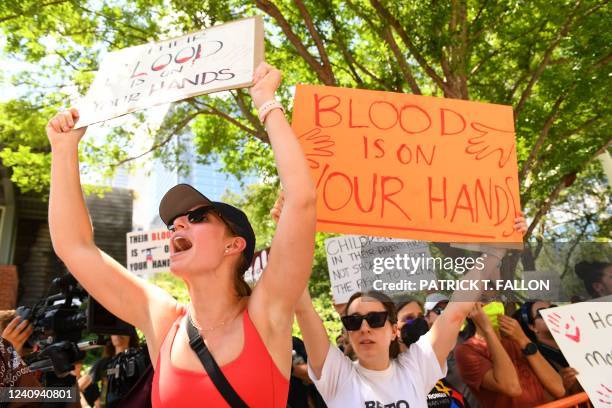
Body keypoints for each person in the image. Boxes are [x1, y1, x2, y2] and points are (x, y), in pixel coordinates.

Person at [46, 61, 316, 407]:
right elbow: (74, 247)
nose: (178, 226)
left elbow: (302, 200)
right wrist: (64, 149)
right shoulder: (163, 322)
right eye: (174, 224)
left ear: (234, 244)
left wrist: (266, 102)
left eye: (198, 217)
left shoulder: (265, 314)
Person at [290, 208, 527, 407]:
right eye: (353, 321)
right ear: (348, 331)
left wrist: (498, 250)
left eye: (374, 319)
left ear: (393, 330)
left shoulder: (416, 367)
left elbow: (457, 310)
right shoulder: (336, 376)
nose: (364, 328)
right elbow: (303, 309)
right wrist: (290, 229)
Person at [455, 302, 565, 408]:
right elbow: (512, 388)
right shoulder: (467, 351)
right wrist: (488, 330)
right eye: (484, 300)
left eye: (495, 299)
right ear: (469, 312)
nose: (492, 303)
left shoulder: (515, 340)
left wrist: (523, 339)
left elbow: (559, 388)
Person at [397, 299, 475, 408]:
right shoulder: (395, 377)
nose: (416, 322)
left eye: (420, 317)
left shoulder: (432, 363)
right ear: (393, 330)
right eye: (408, 318)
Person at [514, 301, 580, 394]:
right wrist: (560, 384)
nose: (551, 313)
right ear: (532, 327)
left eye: (553, 308)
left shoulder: (579, 345)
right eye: (541, 313)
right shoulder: (533, 358)